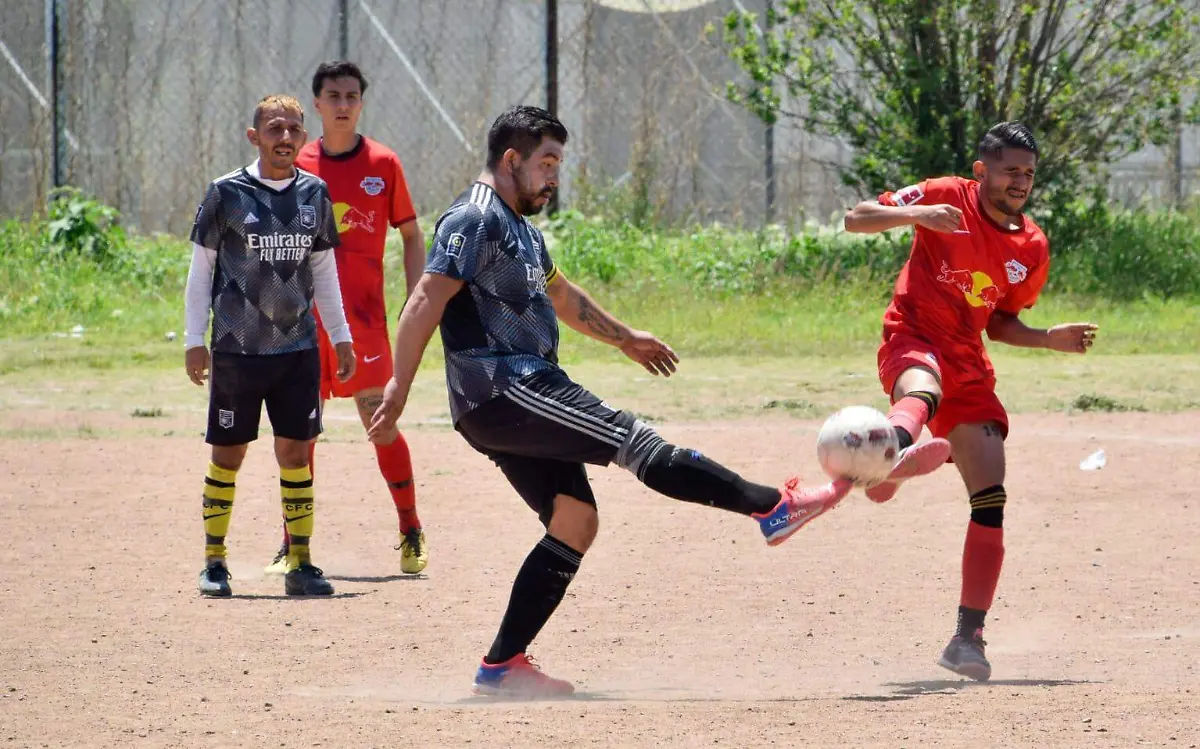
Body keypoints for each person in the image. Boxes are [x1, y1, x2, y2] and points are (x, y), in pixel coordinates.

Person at [367, 105, 852, 698]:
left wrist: (628, 339)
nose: (554, 176)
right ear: (512, 159)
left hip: (509, 397)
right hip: (507, 387)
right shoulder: (473, 217)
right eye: (546, 162)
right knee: (637, 442)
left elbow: (564, 296)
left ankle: (501, 667)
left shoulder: (520, 228)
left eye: (559, 164)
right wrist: (398, 385)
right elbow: (424, 300)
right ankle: (771, 507)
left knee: (575, 519)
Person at [843, 121, 1099, 681]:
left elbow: (1003, 323)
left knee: (991, 493)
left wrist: (1047, 338)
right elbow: (855, 217)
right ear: (981, 169)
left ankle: (967, 638)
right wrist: (917, 216)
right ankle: (892, 451)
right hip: (913, 335)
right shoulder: (942, 195)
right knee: (923, 387)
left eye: (1028, 173)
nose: (1021, 182)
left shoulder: (1030, 246)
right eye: (1010, 170)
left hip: (970, 363)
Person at [184, 93, 356, 597]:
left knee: (296, 453)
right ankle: (214, 563)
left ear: (305, 137)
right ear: (253, 135)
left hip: (298, 350)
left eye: (293, 130)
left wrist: (341, 337)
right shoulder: (226, 193)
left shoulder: (315, 195)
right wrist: (195, 340)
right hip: (238, 350)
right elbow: (201, 273)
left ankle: (300, 563)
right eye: (274, 129)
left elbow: (324, 272)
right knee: (228, 454)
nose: (284, 138)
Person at [263, 61, 428, 576]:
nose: (342, 103)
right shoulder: (297, 161)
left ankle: (410, 530)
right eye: (332, 94)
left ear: (361, 103)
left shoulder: (384, 162)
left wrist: (416, 296)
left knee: (379, 423)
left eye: (351, 95)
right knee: (298, 430)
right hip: (300, 320)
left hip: (364, 321)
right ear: (315, 104)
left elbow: (412, 234)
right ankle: (293, 542)